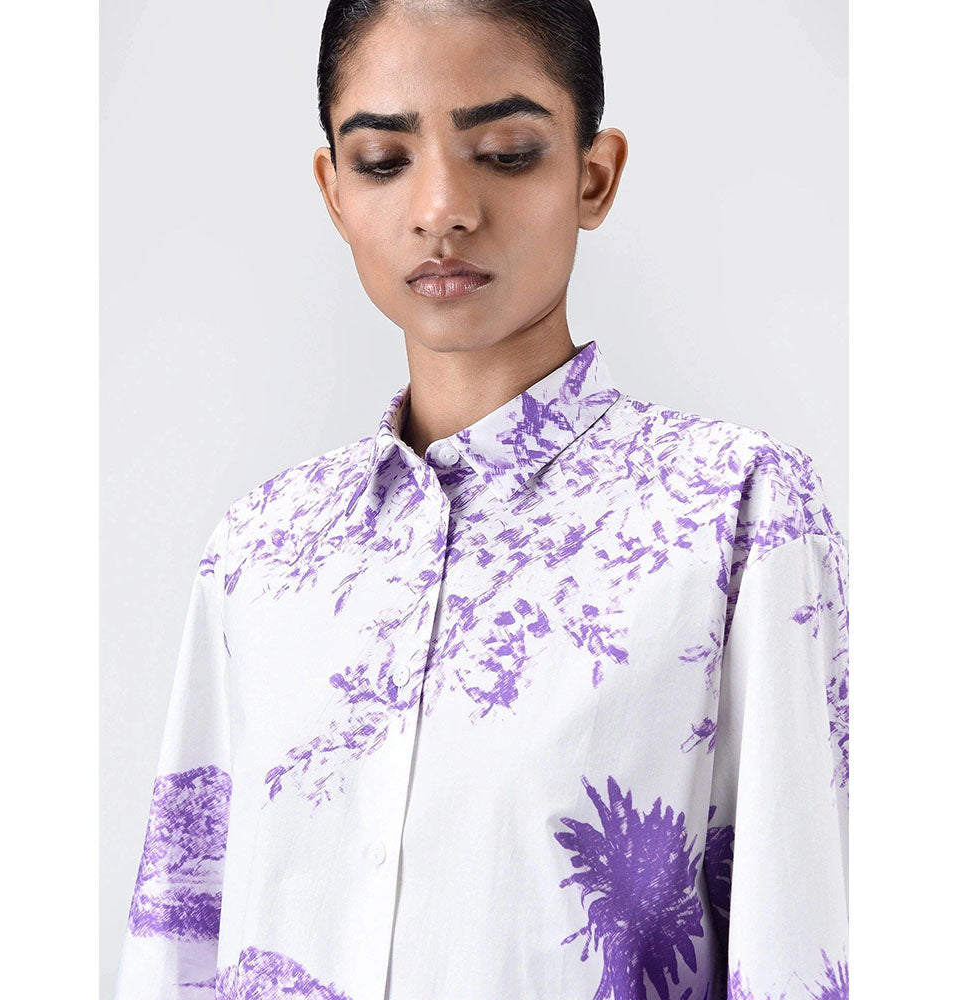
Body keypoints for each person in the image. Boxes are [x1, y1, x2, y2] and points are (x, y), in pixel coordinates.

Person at [113, 2, 849, 999]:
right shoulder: (259, 549)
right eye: (383, 160)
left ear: (593, 176)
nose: (443, 208)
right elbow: (178, 940)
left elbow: (801, 943)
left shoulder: (736, 510)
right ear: (334, 191)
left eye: (504, 153)